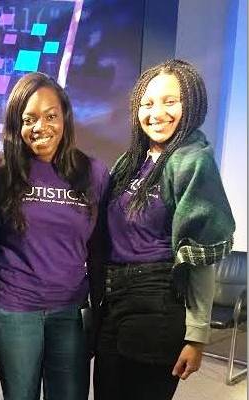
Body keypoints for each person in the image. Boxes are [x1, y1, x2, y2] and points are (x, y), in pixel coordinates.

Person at [94, 59, 235, 400]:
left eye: (170, 101)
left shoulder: (192, 160)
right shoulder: (132, 161)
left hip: (157, 301)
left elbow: (199, 254)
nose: (157, 112)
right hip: (114, 301)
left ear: (192, 102)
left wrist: (196, 335)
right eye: (147, 103)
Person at [0, 72, 109, 400]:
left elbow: (98, 249)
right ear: (16, 125)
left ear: (65, 118)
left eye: (51, 116)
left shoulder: (93, 173)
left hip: (69, 310)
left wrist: (100, 308)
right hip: (14, 309)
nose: (41, 127)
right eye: (29, 119)